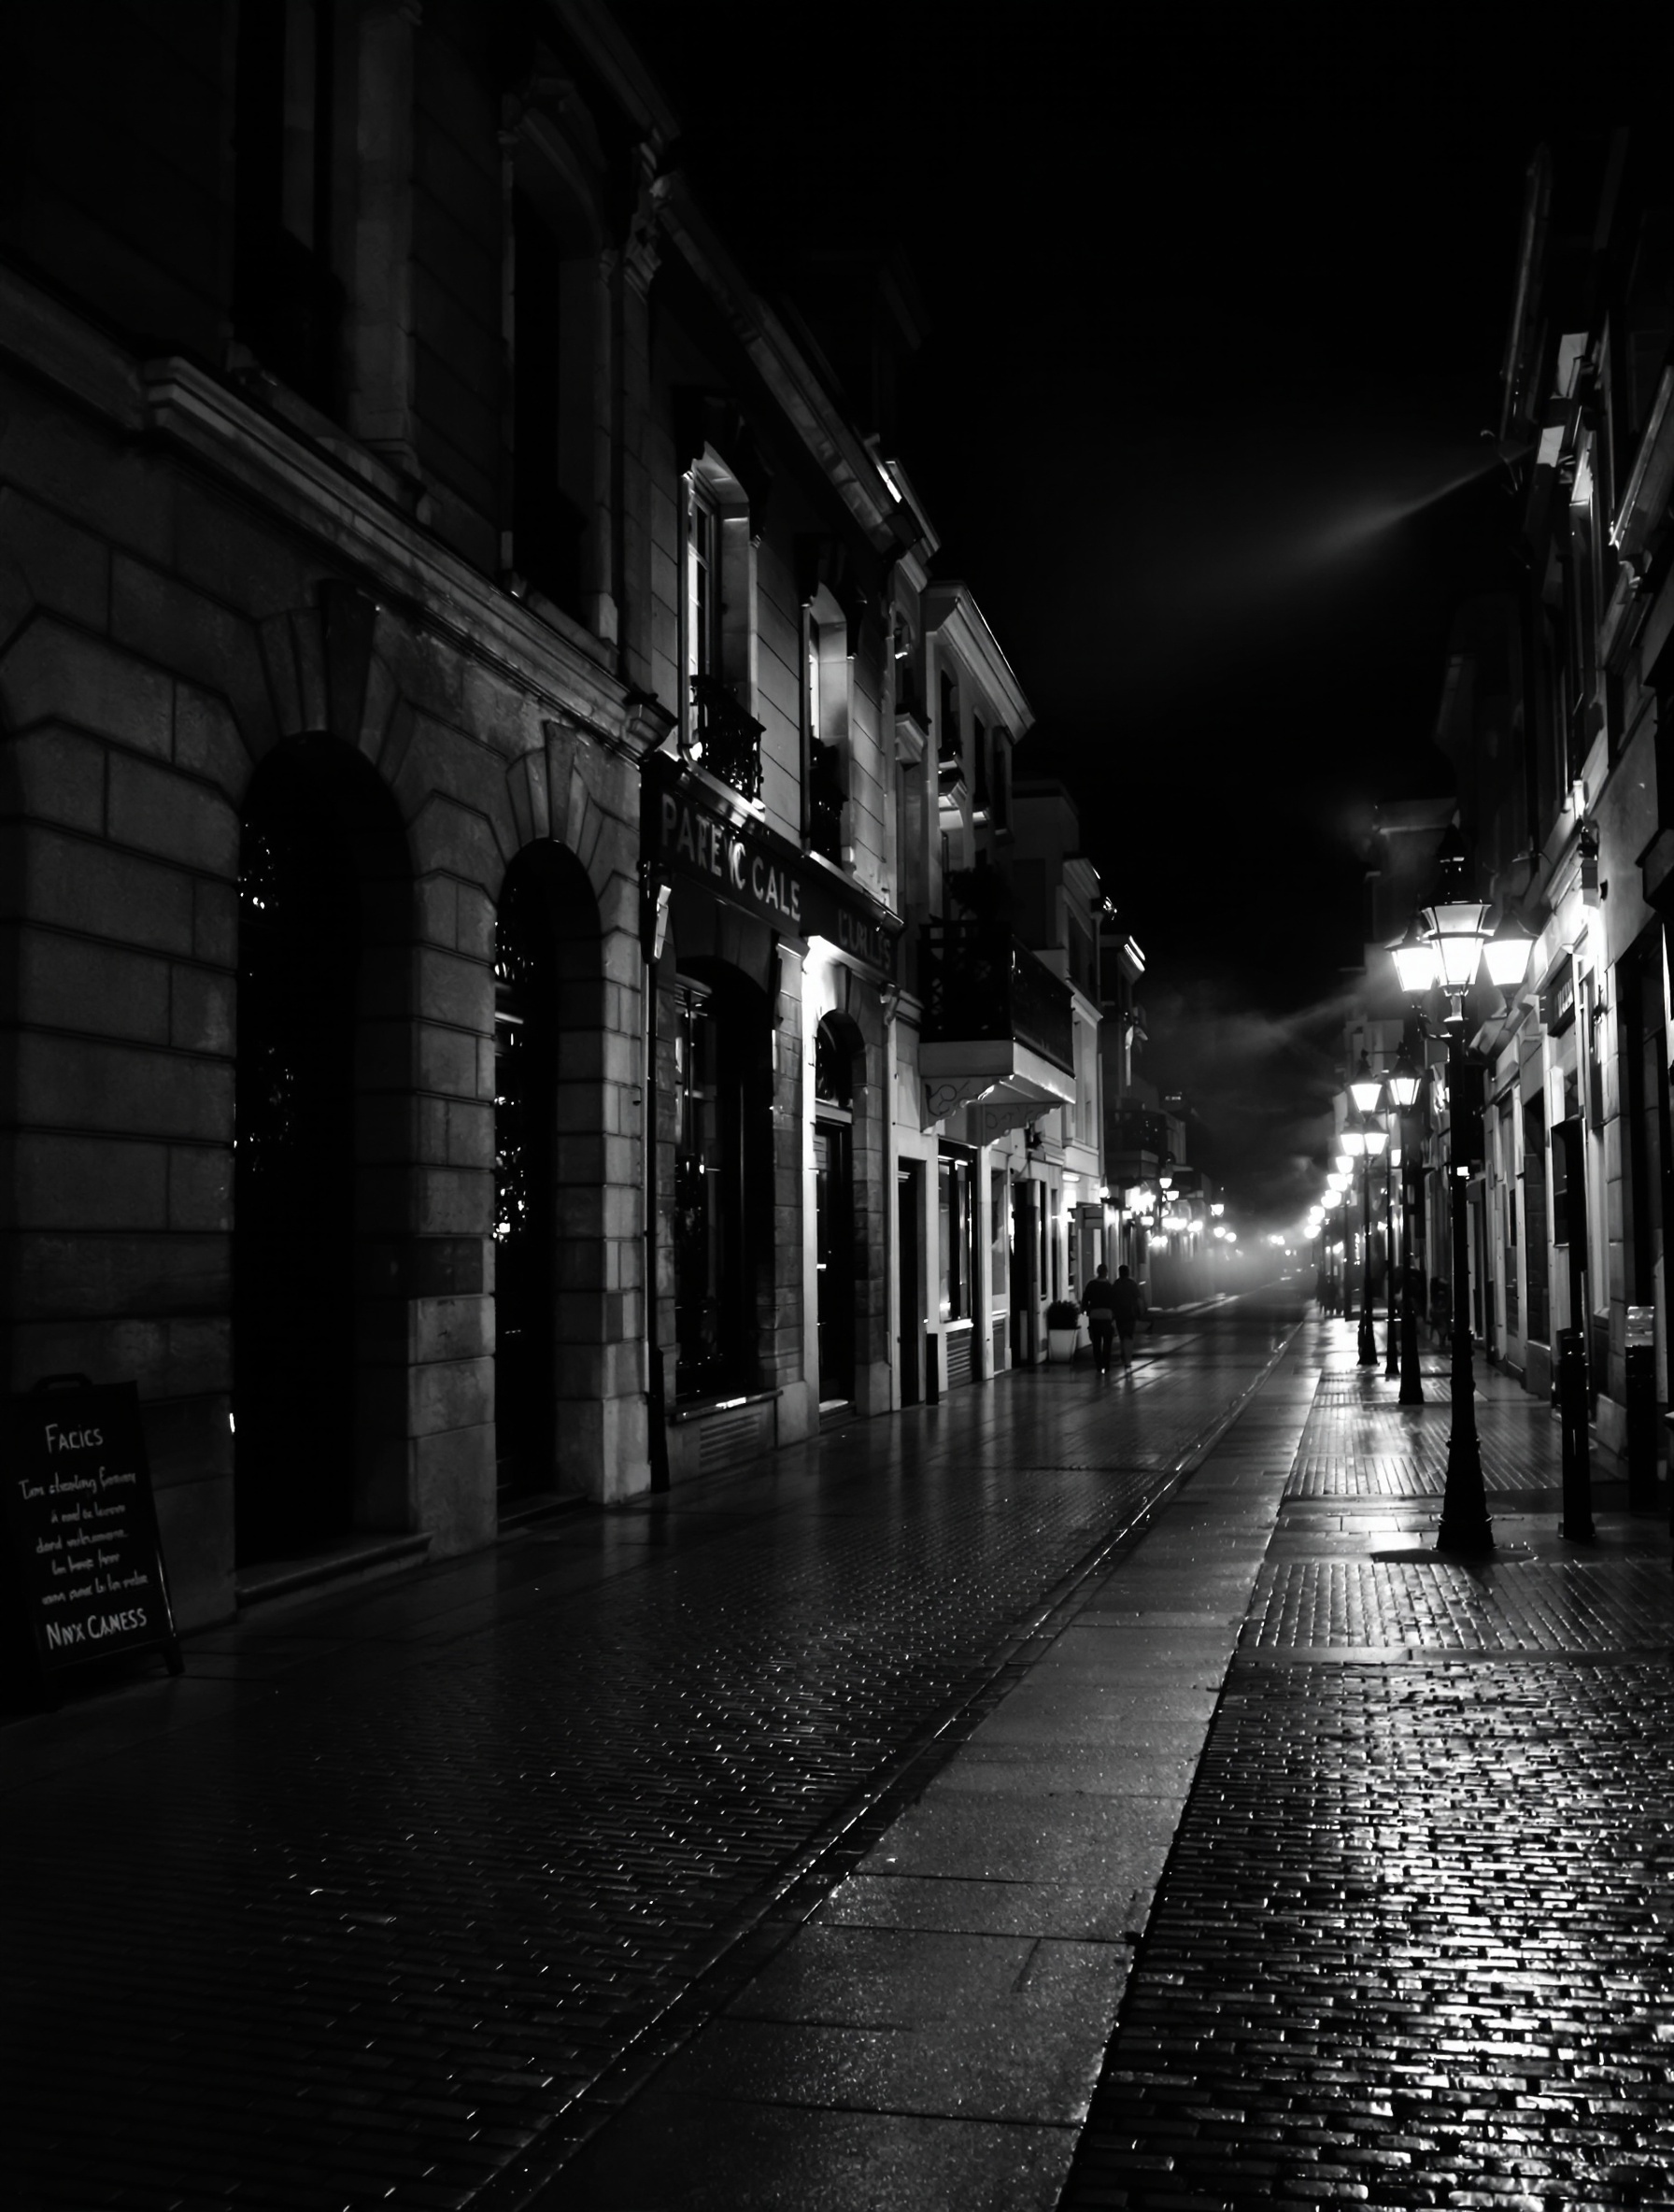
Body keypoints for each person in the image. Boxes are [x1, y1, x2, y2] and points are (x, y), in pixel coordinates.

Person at [1082, 1264, 1120, 1373]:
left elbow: (1085, 1299)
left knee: (1096, 1342)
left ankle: (1099, 1365)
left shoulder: (1091, 1285)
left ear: (1097, 1272)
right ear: (1106, 1273)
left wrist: (1086, 1311)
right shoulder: (1109, 1286)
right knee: (1107, 1342)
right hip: (1107, 1316)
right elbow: (1114, 1302)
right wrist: (1114, 1315)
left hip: (1094, 1315)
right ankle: (1106, 1365)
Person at [1111, 1264, 1145, 1367]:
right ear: (1128, 1272)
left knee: (1122, 1335)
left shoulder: (1116, 1284)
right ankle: (1128, 1358)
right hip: (1130, 1313)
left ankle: (1123, 1355)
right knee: (1129, 1336)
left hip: (1119, 1314)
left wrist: (1112, 1313)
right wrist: (1141, 1311)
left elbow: (1112, 1300)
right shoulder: (1132, 1284)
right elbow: (1138, 1299)